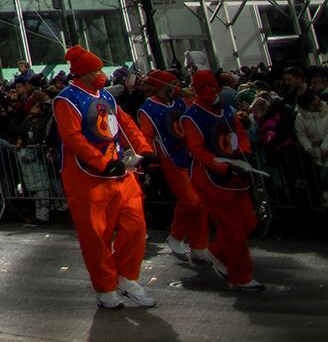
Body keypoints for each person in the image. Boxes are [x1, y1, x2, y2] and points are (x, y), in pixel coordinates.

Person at [51, 47, 155, 308]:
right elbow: (72, 137)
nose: (101, 74)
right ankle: (105, 286)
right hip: (87, 178)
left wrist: (144, 150)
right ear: (84, 73)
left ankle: (126, 277)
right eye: (96, 70)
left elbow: (125, 124)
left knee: (136, 226)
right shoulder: (66, 100)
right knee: (96, 236)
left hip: (120, 172)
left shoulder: (106, 95)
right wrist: (102, 163)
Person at [179, 71, 260, 292]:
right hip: (210, 179)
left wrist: (244, 154)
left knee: (249, 222)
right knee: (233, 228)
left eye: (212, 85)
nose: (210, 90)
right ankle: (240, 277)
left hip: (236, 174)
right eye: (203, 87)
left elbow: (240, 134)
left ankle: (216, 252)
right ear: (196, 90)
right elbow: (198, 151)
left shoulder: (227, 109)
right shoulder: (190, 116)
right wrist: (224, 167)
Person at [135, 72, 209, 265]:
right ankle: (176, 235)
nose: (178, 86)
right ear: (163, 86)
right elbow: (146, 136)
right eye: (174, 83)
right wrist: (150, 159)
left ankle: (199, 246)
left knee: (199, 202)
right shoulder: (147, 109)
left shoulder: (182, 102)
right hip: (169, 158)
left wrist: (193, 98)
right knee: (191, 200)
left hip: (191, 155)